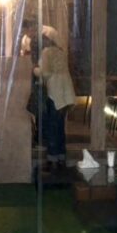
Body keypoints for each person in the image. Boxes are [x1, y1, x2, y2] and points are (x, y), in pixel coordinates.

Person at [34, 27, 75, 168]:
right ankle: (61, 157)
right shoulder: (61, 52)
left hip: (55, 93)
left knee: (52, 126)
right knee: (60, 127)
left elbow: (45, 73)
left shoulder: (46, 52)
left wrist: (34, 70)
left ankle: (52, 160)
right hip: (66, 93)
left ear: (47, 40)